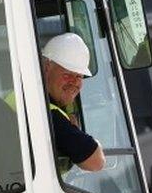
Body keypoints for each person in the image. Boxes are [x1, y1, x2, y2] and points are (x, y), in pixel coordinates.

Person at [42, 33, 105, 172]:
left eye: (79, 76)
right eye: (67, 74)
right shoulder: (48, 115)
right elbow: (96, 162)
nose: (74, 82)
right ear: (46, 67)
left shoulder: (28, 99)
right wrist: (76, 131)